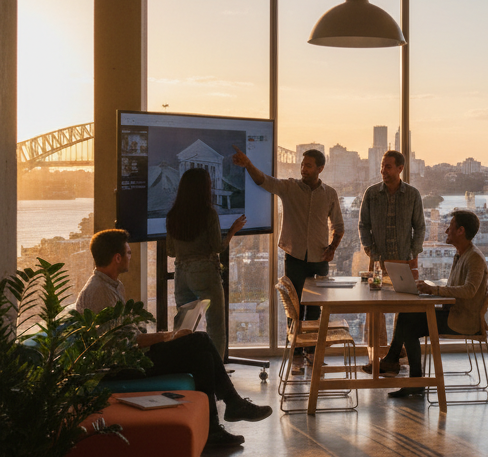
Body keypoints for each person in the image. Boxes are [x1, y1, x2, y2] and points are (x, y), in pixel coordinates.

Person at [76, 229, 271, 448]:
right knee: (200, 342)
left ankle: (215, 428)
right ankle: (231, 407)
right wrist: (169, 336)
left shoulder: (112, 286)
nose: (131, 256)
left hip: (129, 357)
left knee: (202, 355)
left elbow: (127, 334)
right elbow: (123, 343)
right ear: (117, 258)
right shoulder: (100, 292)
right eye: (129, 252)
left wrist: (166, 338)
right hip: (119, 366)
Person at [366, 210, 488, 399]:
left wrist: (436, 290)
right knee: (407, 316)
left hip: (462, 320)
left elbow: (469, 290)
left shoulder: (474, 258)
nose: (447, 230)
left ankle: (404, 371)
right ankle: (405, 371)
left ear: (461, 231)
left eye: (451, 226)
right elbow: (457, 289)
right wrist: (432, 288)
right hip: (453, 313)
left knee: (408, 321)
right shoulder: (462, 254)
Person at [233, 146, 343, 325]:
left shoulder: (330, 194)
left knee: (315, 310)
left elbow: (338, 226)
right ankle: (296, 351)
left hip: (319, 260)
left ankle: (311, 350)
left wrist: (332, 248)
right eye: (302, 165)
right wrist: (248, 165)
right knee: (294, 309)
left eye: (308, 166)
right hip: (294, 258)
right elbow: (264, 181)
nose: (303, 169)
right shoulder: (289, 187)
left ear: (320, 169)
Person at [165, 167, 246, 359]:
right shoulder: (209, 213)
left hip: (181, 272)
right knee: (215, 325)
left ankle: (182, 366)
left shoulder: (172, 215)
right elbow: (218, 246)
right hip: (205, 271)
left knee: (183, 326)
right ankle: (215, 371)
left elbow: (170, 251)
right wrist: (232, 231)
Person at [358, 149, 426, 359]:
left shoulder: (413, 195)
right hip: (377, 262)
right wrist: (370, 251)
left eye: (388, 166)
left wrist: (412, 253)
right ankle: (377, 355)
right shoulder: (371, 194)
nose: (383, 171)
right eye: (382, 166)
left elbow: (420, 227)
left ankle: (398, 354)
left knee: (403, 310)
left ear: (400, 169)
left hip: (404, 262)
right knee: (375, 310)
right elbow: (363, 225)